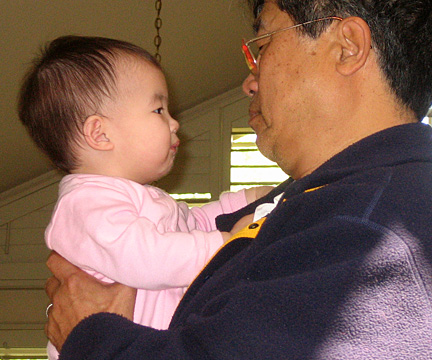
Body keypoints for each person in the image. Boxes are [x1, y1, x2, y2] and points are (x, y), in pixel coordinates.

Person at [45, 0, 432, 359]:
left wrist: (89, 337)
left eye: (264, 44)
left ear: (347, 47)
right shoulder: (321, 203)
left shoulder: (374, 237)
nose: (249, 81)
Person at [17, 35, 271, 359]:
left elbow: (194, 221)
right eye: (159, 109)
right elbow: (144, 256)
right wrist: (223, 246)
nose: (175, 122)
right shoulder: (84, 204)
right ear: (100, 133)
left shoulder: (139, 198)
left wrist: (247, 199)